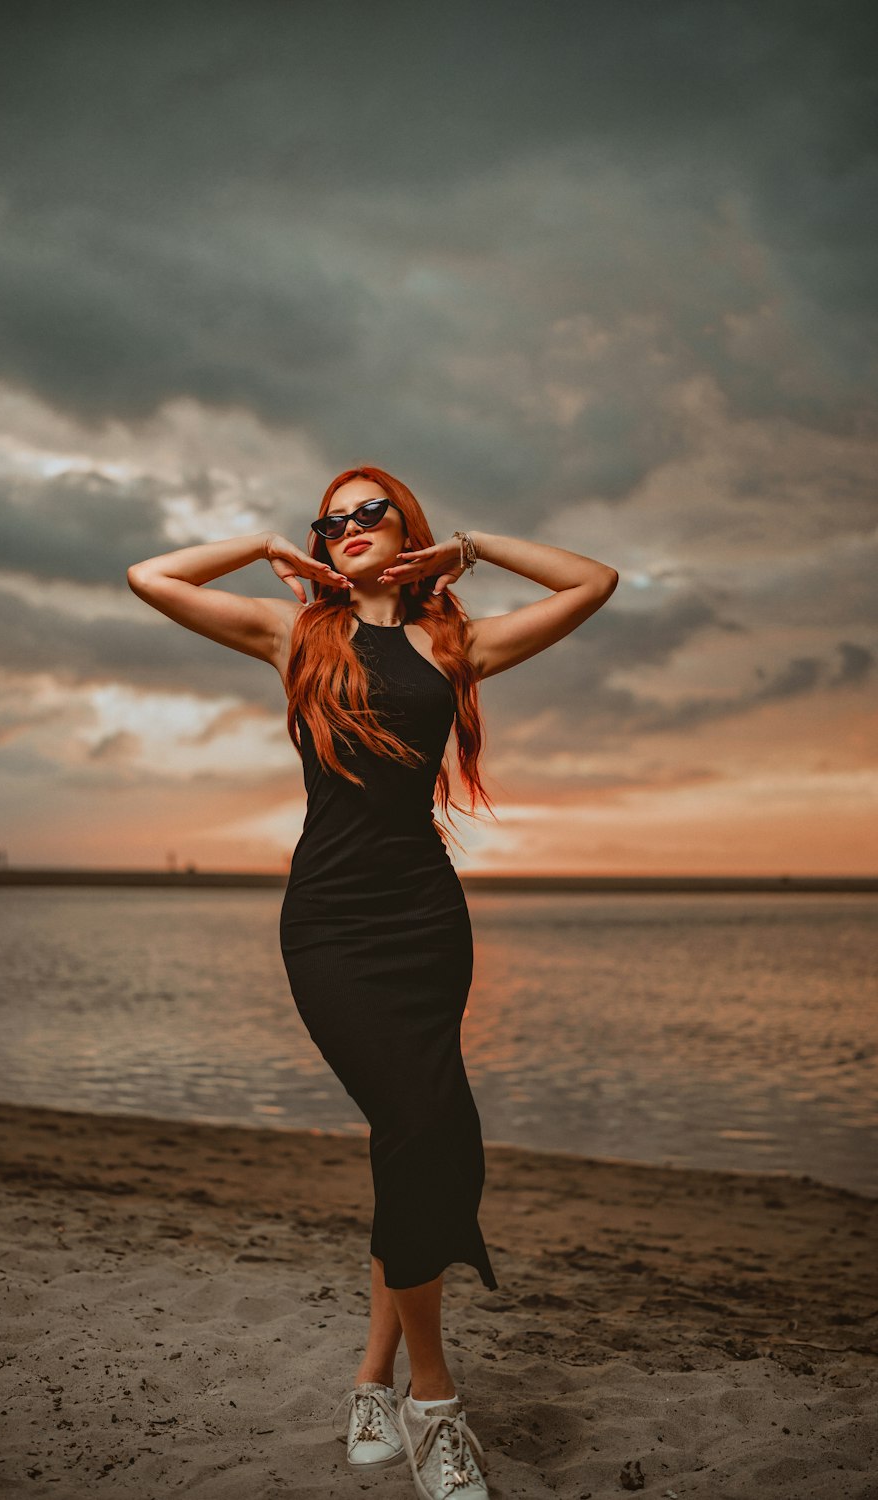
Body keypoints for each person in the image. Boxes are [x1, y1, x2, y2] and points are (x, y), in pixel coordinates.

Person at [127, 464, 618, 1497]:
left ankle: (370, 1384)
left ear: (407, 529)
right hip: (330, 926)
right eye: (330, 519)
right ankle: (433, 1405)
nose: (345, 527)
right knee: (418, 1126)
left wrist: (472, 548)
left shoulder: (454, 643)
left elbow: (592, 582)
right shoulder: (292, 634)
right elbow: (150, 576)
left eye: (368, 513)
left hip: (426, 920)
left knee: (421, 1138)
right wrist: (266, 551)